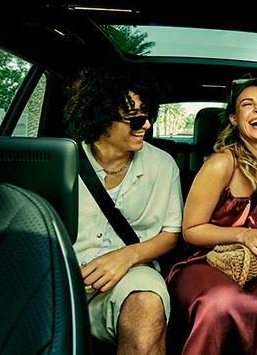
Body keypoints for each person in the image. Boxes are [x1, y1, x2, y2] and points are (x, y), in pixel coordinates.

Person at [166, 78, 257, 354]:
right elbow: (191, 230)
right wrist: (245, 235)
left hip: (256, 263)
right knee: (220, 302)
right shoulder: (221, 163)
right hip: (203, 260)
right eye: (248, 105)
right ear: (233, 119)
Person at [63, 66, 183, 355]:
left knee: (147, 302)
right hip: (66, 277)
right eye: (135, 119)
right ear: (101, 118)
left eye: (147, 115)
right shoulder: (61, 161)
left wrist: (127, 256)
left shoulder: (163, 165)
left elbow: (171, 234)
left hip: (132, 273)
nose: (146, 126)